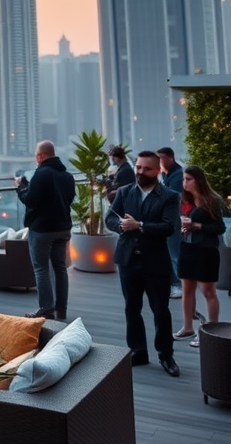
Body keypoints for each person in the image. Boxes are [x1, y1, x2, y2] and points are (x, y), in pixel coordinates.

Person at [105, 151, 181, 377]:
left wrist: (139, 225)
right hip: (128, 260)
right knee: (131, 308)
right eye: (138, 167)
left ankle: (166, 354)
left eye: (146, 169)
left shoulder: (169, 196)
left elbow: (169, 227)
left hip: (155, 262)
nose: (140, 172)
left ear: (158, 170)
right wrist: (121, 226)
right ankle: (138, 351)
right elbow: (110, 218)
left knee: (160, 311)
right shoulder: (125, 192)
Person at [16, 140, 76, 319]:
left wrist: (21, 188)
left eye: (36, 155)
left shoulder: (41, 174)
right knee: (60, 268)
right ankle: (61, 309)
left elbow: (31, 201)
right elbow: (69, 199)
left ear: (41, 156)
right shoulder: (67, 176)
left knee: (41, 269)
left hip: (42, 230)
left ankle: (46, 308)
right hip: (63, 227)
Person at [172, 165, 227, 348]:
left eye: (188, 179)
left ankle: (211, 331)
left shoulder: (212, 200)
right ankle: (188, 328)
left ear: (199, 180)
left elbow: (220, 228)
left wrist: (197, 226)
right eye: (183, 179)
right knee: (187, 290)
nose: (184, 183)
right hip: (187, 248)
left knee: (208, 292)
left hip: (206, 251)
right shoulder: (184, 199)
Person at [158, 147, 185, 299]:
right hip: (167, 218)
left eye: (161, 158)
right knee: (169, 252)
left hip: (174, 218)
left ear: (170, 158)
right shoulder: (165, 173)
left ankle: (179, 285)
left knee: (174, 252)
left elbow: (172, 196)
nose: (159, 161)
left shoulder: (178, 175)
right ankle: (174, 283)